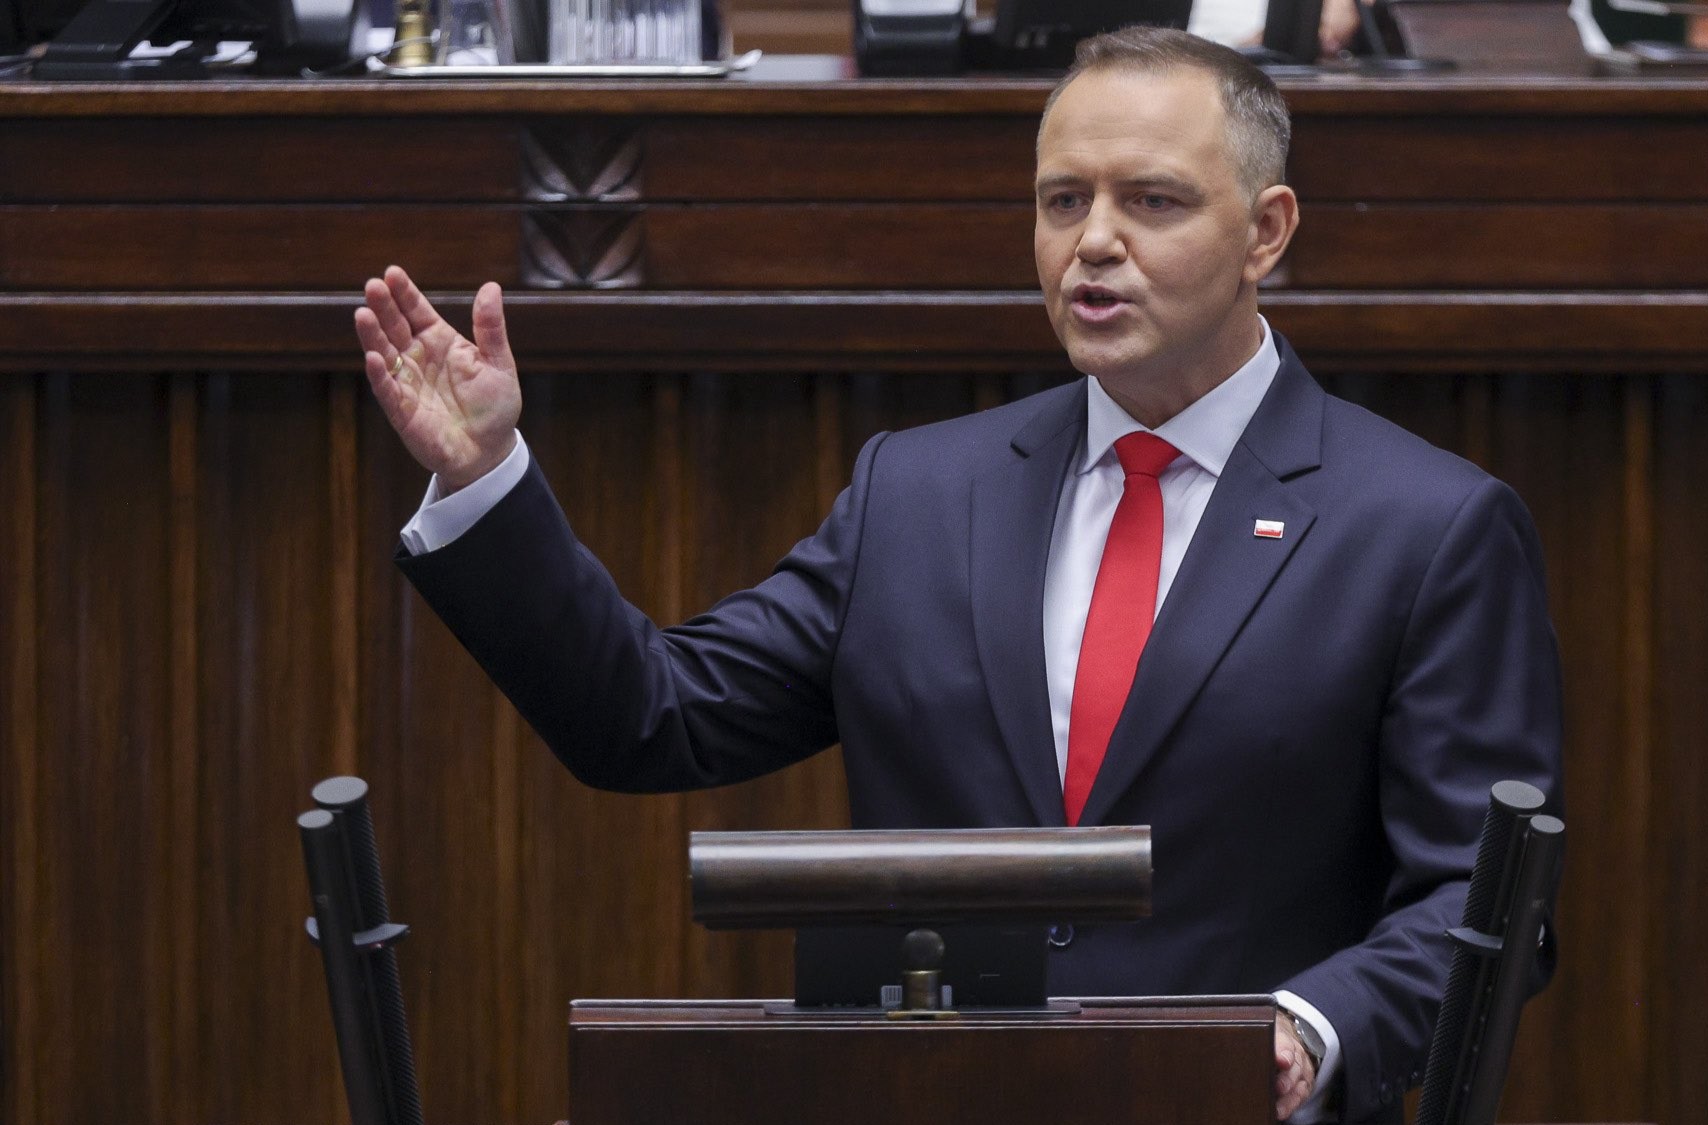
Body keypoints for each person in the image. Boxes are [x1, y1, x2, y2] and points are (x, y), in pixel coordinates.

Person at [353, 28, 1561, 1124]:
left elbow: (1482, 899)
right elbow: (648, 719)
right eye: (1060, 200)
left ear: (1266, 232)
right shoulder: (918, 497)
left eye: (1150, 200)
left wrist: (1308, 1029)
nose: (1093, 241)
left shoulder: (1425, 528)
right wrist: (488, 480)